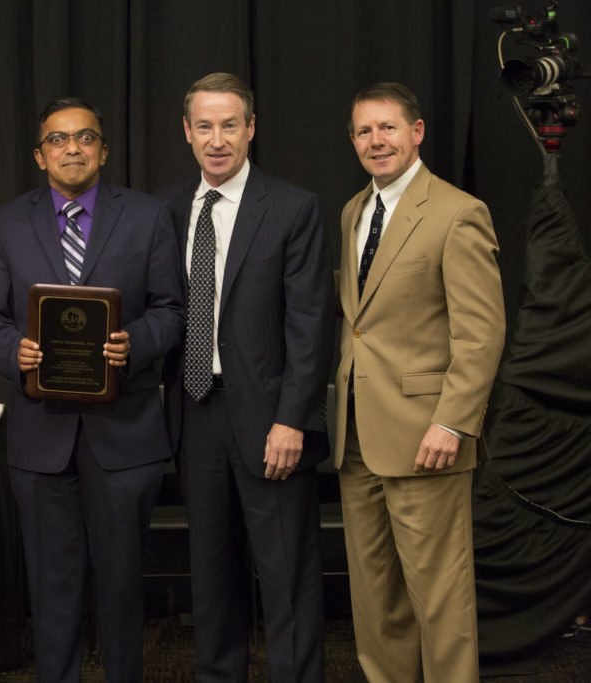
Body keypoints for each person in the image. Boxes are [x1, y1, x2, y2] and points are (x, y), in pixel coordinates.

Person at [0, 97, 183, 683]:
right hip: (41, 440)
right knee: (52, 590)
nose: (73, 148)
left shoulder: (147, 217)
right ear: (40, 155)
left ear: (104, 150)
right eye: (59, 140)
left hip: (125, 437)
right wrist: (12, 352)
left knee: (122, 590)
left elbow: (172, 310)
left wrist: (136, 344)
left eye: (86, 137)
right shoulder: (7, 221)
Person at [156, 72, 334, 682]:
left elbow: (311, 328)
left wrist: (292, 419)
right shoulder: (170, 209)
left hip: (270, 419)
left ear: (251, 128)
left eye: (230, 124)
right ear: (186, 132)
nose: (217, 139)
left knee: (285, 575)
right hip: (196, 412)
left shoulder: (292, 207)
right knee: (211, 574)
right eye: (204, 126)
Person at [333, 82, 506, 683]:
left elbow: (480, 334)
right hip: (356, 438)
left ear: (417, 132)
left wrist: (452, 421)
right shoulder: (354, 210)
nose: (376, 141)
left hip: (428, 436)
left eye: (387, 127)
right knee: (376, 598)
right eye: (364, 131)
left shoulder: (459, 212)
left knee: (439, 598)